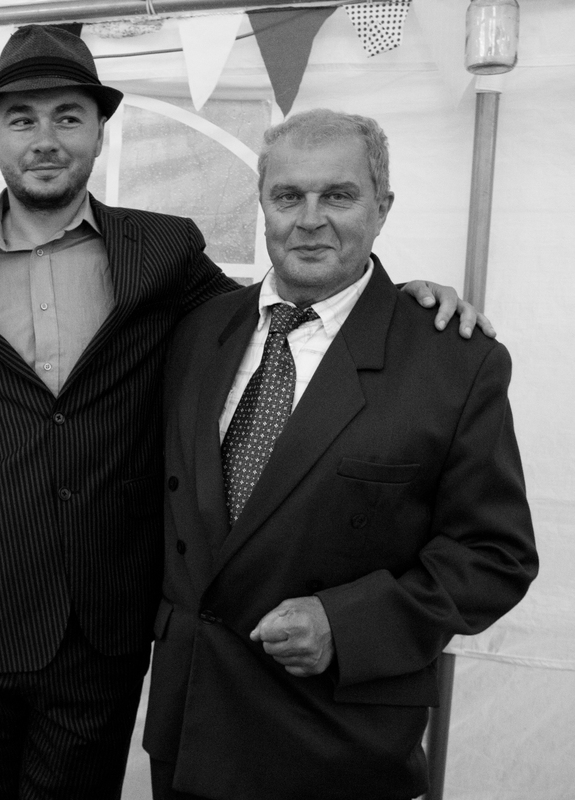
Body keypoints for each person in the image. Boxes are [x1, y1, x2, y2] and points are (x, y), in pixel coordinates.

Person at [0, 24, 495, 800]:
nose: (46, 139)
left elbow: (291, 313)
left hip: (105, 612)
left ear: (99, 129)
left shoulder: (162, 252)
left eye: (68, 116)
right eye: (22, 119)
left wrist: (405, 297)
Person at [143, 109, 537, 800]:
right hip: (191, 731)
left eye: (339, 196)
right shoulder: (198, 331)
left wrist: (347, 624)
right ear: (262, 204)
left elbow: (494, 556)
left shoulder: (453, 361)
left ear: (383, 207)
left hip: (336, 744)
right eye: (288, 196)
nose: (310, 219)